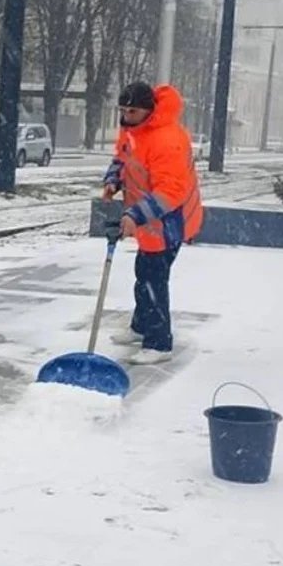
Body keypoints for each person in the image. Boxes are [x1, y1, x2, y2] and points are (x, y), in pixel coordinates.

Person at [102, 81, 204, 364]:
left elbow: (171, 192)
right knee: (144, 273)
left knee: (153, 279)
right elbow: (122, 158)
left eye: (131, 111)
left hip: (171, 219)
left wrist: (134, 215)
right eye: (122, 110)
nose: (125, 116)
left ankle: (159, 343)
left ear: (148, 111)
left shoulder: (167, 140)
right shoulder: (133, 129)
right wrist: (113, 180)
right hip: (147, 218)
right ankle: (141, 325)